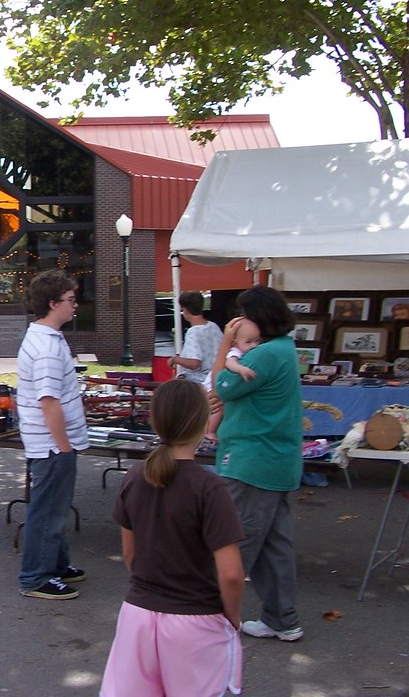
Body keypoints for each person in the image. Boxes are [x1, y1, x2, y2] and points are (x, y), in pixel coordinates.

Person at [101, 379, 245, 697]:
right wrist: (232, 616)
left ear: (155, 421)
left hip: (138, 614)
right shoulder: (210, 488)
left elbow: (130, 554)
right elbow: (232, 573)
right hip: (196, 619)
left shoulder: (136, 476)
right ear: (202, 421)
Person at [212, 285, 304, 642]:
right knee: (274, 545)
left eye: (244, 315)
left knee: (234, 541)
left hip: (253, 460)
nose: (239, 322)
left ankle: (211, 621)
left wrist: (225, 344)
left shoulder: (265, 355)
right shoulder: (283, 349)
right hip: (275, 460)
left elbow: (222, 385)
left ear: (259, 317)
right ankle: (283, 619)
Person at [16, 270, 90, 599]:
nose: (75, 305)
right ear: (52, 303)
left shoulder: (48, 338)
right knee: (47, 512)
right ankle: (36, 577)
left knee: (56, 509)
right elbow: (49, 402)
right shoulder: (45, 347)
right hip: (52, 446)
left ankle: (57, 564)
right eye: (70, 300)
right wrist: (64, 447)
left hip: (53, 444)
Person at [203, 318, 262, 441]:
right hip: (212, 383)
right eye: (249, 342)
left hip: (221, 381)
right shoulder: (235, 352)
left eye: (257, 341)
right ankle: (210, 431)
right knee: (218, 409)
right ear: (235, 343)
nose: (254, 345)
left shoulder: (245, 351)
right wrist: (241, 369)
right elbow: (230, 363)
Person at [169, 291, 223, 384]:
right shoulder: (214, 326)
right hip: (216, 378)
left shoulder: (193, 332)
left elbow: (195, 363)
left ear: (185, 309)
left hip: (198, 382)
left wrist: (175, 359)